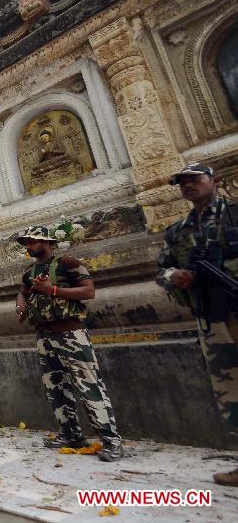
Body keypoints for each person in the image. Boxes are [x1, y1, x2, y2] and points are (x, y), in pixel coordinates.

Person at [157, 163, 238, 486]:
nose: (188, 186)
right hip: (211, 317)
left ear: (215, 181)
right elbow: (162, 269)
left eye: (195, 180)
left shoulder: (235, 215)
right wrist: (173, 277)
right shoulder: (178, 231)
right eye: (183, 183)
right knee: (230, 391)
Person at [14, 227, 123, 462]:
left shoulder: (67, 263)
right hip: (44, 335)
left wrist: (52, 290)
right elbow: (22, 293)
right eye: (26, 243)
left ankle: (111, 440)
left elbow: (88, 291)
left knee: (89, 386)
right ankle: (71, 434)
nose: (29, 246)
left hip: (70, 332)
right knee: (56, 387)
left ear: (47, 242)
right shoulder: (30, 271)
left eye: (32, 242)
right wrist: (20, 306)